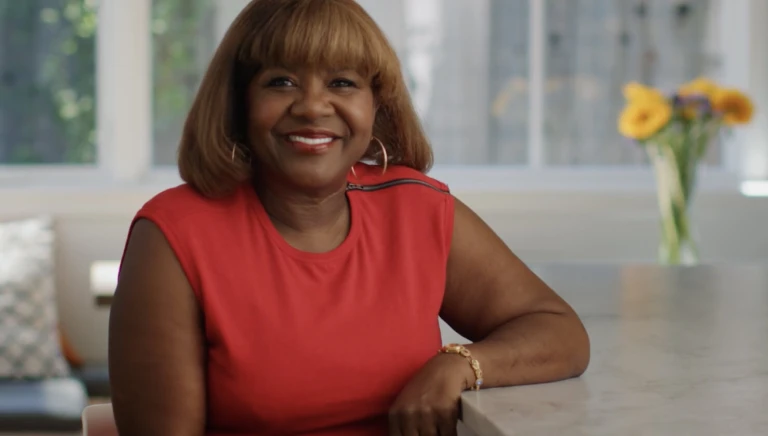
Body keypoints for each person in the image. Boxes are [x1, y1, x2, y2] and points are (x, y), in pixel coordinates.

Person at [108, 0, 590, 434]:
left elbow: (559, 331)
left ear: (375, 106)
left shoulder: (416, 209)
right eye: (281, 81)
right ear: (239, 104)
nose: (314, 106)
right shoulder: (174, 235)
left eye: (342, 82)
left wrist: (460, 364)